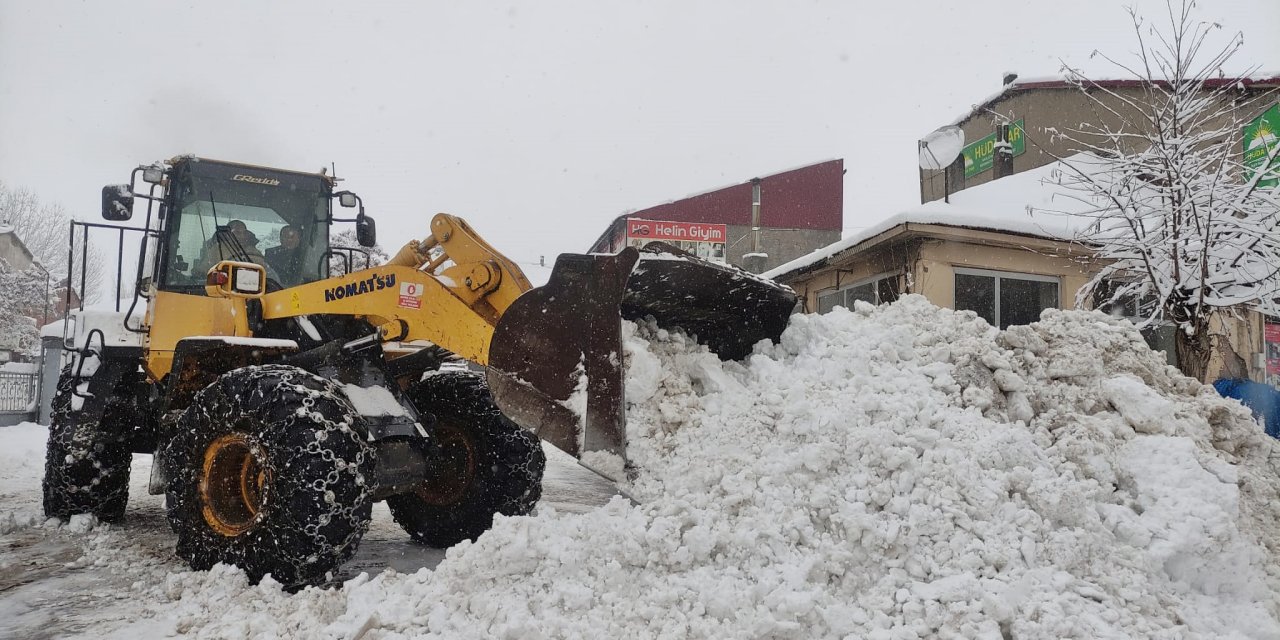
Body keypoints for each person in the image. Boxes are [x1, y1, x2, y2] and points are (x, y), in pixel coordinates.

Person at [196, 220, 266, 274]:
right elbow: (202, 271)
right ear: (228, 234)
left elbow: (266, 272)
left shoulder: (254, 251)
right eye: (237, 233)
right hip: (220, 289)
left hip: (253, 289)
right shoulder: (217, 249)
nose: (242, 236)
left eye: (244, 233)